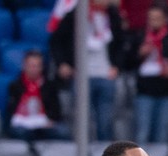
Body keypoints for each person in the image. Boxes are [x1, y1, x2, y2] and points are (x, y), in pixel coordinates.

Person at [49, 0, 125, 141]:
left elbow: (121, 42)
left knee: (105, 122)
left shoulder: (113, 15)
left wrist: (117, 66)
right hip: (82, 76)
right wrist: (63, 63)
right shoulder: (76, 15)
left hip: (106, 75)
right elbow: (56, 39)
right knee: (83, 122)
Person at [128, 5, 168, 144]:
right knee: (142, 132)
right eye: (151, 18)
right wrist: (139, 54)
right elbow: (127, 62)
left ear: (165, 19)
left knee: (162, 133)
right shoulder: (140, 37)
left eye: (157, 18)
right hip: (144, 92)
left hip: (166, 93)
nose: (153, 21)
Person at [6, 50, 70, 142]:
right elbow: (11, 110)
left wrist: (50, 121)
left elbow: (56, 111)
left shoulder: (50, 86)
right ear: (24, 66)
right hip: (23, 125)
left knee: (63, 132)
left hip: (44, 124)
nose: (34, 69)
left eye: (37, 66)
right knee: (20, 132)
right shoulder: (15, 86)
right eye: (31, 66)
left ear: (42, 67)